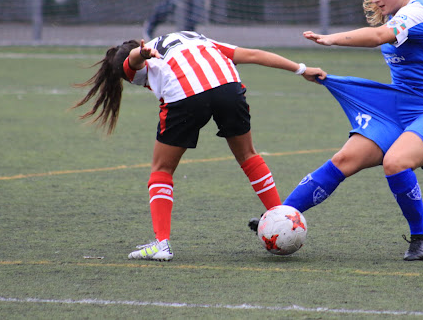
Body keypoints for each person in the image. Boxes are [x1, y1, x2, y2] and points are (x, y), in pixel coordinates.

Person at [252, 0, 423, 262]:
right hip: (398, 106)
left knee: (395, 161)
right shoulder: (401, 15)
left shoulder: (417, 13)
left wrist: (331, 39)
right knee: (344, 159)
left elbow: (381, 36)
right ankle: (281, 217)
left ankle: (420, 237)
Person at [73, 31, 326, 261]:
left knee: (161, 170)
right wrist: (301, 69)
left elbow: (133, 62)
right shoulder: (195, 38)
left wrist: (141, 53)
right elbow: (252, 54)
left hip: (185, 95)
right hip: (228, 86)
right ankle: (281, 220)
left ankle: (162, 244)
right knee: (248, 156)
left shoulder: (141, 59)